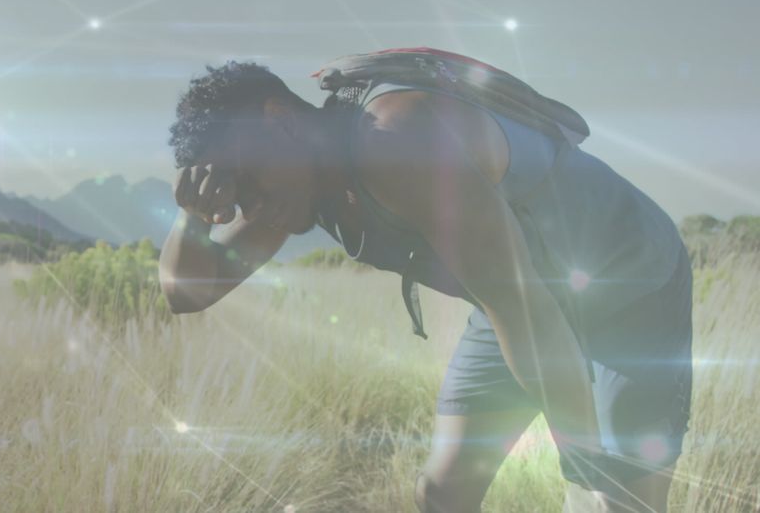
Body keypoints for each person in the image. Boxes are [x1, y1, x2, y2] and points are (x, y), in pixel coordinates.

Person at [157, 59, 693, 512]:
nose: (245, 206)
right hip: (511, 299)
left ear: (279, 122)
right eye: (232, 192)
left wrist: (584, 468)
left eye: (244, 180)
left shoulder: (396, 138)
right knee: (443, 494)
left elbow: (524, 306)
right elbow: (187, 293)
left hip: (626, 280)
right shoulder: (298, 181)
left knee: (621, 498)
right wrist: (194, 217)